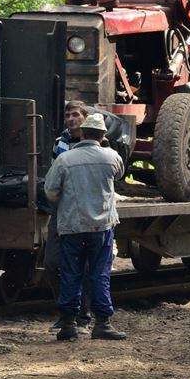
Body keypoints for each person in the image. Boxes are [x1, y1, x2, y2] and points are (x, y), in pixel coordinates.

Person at [44, 113, 126, 341]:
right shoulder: (111, 157)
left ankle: (68, 323)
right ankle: (102, 323)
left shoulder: (65, 159)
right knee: (99, 273)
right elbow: (119, 175)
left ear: (82, 133)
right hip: (101, 227)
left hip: (72, 226)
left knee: (70, 273)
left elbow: (50, 191)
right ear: (102, 135)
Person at [45, 100, 92, 333]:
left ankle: (81, 316)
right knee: (52, 263)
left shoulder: (95, 142)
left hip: (85, 210)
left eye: (75, 115)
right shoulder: (59, 143)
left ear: (85, 117)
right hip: (62, 208)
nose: (71, 119)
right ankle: (64, 312)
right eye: (68, 116)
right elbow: (54, 173)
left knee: (81, 265)